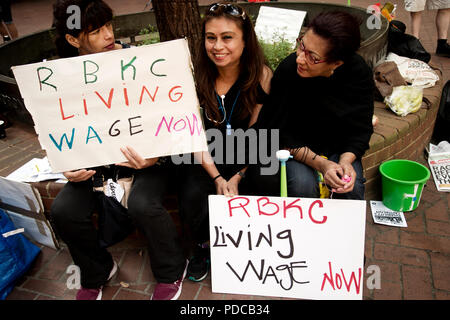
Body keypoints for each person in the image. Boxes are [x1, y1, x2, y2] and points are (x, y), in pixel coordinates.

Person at [50, 0, 188, 300]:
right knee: (63, 210)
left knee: (142, 204)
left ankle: (171, 270)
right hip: (98, 166)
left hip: (149, 160)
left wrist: (155, 156)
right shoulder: (61, 78)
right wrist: (68, 164)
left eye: (109, 25)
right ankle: (98, 271)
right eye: (97, 30)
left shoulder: (140, 61)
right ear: (74, 39)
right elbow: (58, 132)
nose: (109, 34)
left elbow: (173, 119)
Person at [178, 2, 272, 282]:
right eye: (211, 37)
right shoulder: (194, 76)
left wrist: (239, 175)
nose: (217, 46)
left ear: (246, 40)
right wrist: (218, 176)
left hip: (245, 156)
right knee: (191, 188)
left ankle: (254, 244)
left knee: (266, 177)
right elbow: (191, 134)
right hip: (206, 156)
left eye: (227, 37)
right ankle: (202, 247)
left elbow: (258, 136)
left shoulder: (262, 76)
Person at [250, 10, 374, 200]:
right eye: (302, 46)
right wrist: (321, 165)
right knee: (302, 187)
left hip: (338, 149)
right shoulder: (289, 70)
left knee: (351, 186)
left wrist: (346, 161)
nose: (300, 58)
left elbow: (361, 130)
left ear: (337, 63)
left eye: (312, 57)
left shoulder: (358, 73)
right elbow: (277, 131)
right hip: (297, 149)